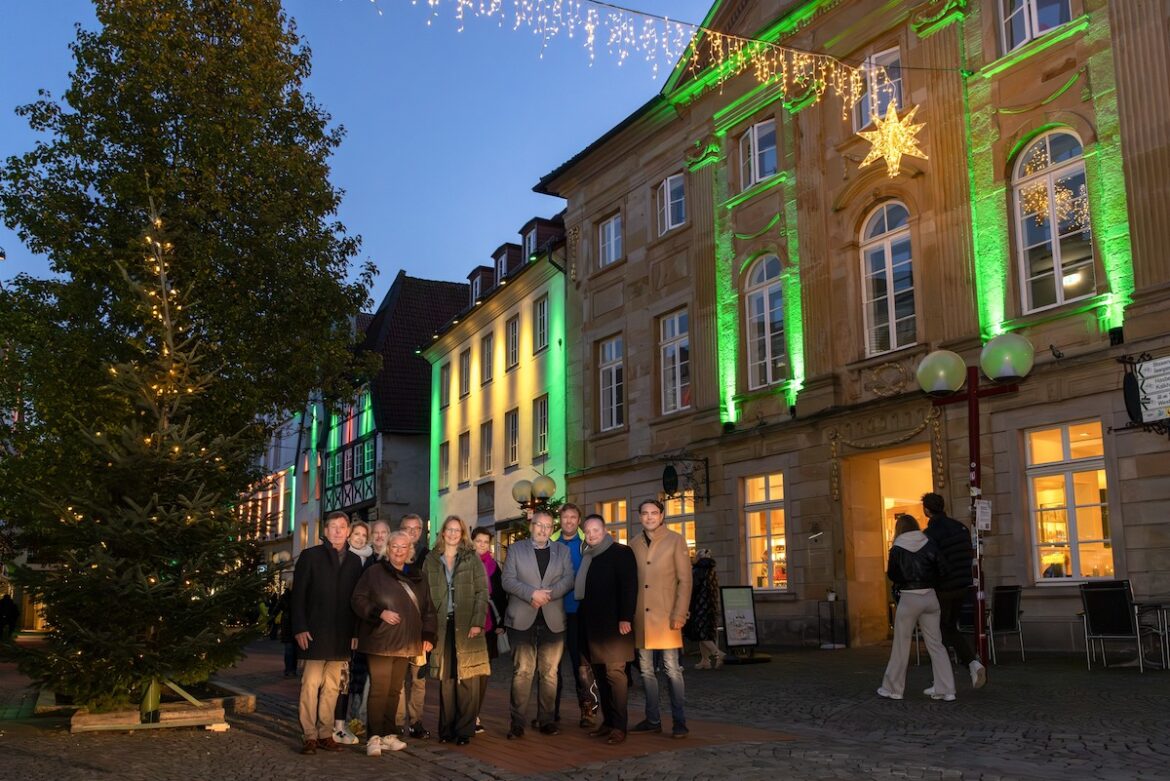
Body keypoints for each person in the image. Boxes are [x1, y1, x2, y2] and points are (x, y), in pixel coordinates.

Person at [351, 530, 437, 757]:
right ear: (388, 549)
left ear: (410, 550)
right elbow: (358, 600)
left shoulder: (418, 576)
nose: (399, 551)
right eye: (395, 547)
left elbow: (428, 609)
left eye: (404, 547)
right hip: (380, 641)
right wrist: (379, 613)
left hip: (406, 641)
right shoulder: (373, 573)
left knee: (394, 690)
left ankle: (389, 734)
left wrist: (428, 636)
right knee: (379, 689)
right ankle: (373, 737)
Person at [290, 511, 364, 755]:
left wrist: (355, 632)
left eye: (342, 527)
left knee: (333, 686)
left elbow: (355, 601)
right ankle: (309, 735)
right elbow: (298, 595)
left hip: (341, 634)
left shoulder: (355, 562)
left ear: (348, 531)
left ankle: (325, 733)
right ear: (325, 530)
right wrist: (299, 626)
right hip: (314, 631)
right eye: (333, 526)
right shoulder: (311, 556)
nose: (337, 531)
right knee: (310, 684)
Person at [501, 508, 575, 739]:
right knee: (522, 671)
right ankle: (517, 722)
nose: (543, 529)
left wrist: (548, 595)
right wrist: (532, 593)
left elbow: (569, 579)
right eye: (539, 525)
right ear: (532, 526)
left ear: (552, 530)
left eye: (548, 526)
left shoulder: (561, 551)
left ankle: (547, 720)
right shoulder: (515, 549)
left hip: (553, 620)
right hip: (522, 618)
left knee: (550, 674)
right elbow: (507, 580)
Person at [423, 515, 490, 745]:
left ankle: (464, 731)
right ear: (442, 533)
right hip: (442, 625)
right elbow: (424, 596)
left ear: (462, 534)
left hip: (467, 625)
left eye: (457, 530)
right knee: (446, 678)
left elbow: (483, 592)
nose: (452, 533)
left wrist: (477, 621)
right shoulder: (431, 560)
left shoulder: (471, 558)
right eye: (448, 529)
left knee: (468, 679)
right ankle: (446, 730)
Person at [630, 498, 692, 739]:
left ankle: (679, 722)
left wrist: (679, 613)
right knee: (645, 671)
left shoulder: (675, 540)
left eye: (654, 513)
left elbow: (685, 581)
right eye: (645, 513)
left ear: (662, 515)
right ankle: (653, 719)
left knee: (672, 670)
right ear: (639, 516)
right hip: (642, 618)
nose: (649, 517)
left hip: (667, 617)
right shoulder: (634, 543)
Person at [879, 513, 956, 701]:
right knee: (936, 644)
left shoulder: (897, 548)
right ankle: (946, 689)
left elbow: (893, 575)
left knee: (901, 644)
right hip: (930, 596)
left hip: (909, 597)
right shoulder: (929, 543)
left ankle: (893, 689)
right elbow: (944, 569)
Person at [575, 514, 637, 745]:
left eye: (595, 530)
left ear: (604, 530)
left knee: (615, 675)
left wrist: (625, 617)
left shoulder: (621, 553)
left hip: (614, 627)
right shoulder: (588, 556)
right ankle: (609, 722)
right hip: (591, 625)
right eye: (588, 531)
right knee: (600, 675)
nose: (591, 534)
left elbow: (629, 587)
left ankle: (620, 726)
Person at [922, 492, 987, 690]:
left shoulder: (930, 534)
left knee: (937, 634)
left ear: (926, 510)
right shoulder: (961, 528)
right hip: (962, 586)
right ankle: (972, 663)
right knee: (949, 628)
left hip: (943, 588)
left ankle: (942, 681)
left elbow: (931, 563)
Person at [552, 503, 600, 727]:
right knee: (551, 666)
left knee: (581, 665)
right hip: (553, 612)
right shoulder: (550, 543)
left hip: (579, 612)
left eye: (573, 517)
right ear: (560, 520)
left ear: (578, 520)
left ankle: (587, 709)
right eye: (565, 517)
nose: (569, 521)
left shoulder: (587, 543)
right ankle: (550, 711)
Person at [332, 519, 374, 745]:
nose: (359, 538)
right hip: (344, 626)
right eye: (356, 534)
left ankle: (352, 718)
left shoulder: (369, 560)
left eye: (362, 535)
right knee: (340, 676)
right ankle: (337, 721)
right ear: (349, 536)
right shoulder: (344, 559)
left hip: (362, 627)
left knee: (356, 677)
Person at [397, 513, 431, 738]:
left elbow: (430, 597)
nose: (412, 532)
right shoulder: (393, 555)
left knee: (419, 680)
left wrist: (430, 632)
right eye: (408, 528)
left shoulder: (427, 557)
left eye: (416, 529)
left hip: (418, 630)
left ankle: (416, 722)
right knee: (398, 679)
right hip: (397, 631)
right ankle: (398, 721)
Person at [471, 526, 508, 734]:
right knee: (469, 671)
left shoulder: (494, 567)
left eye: (486, 542)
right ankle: (466, 711)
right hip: (469, 626)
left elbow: (502, 597)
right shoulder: (465, 563)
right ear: (472, 542)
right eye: (479, 541)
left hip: (489, 626)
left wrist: (501, 624)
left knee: (484, 672)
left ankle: (475, 713)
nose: (483, 545)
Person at [685, 549, 726, 670]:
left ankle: (718, 654)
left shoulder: (697, 571)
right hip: (711, 606)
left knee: (701, 634)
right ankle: (705, 660)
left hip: (699, 607)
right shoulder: (712, 571)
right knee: (705, 633)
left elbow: (692, 589)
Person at [277, 586, 296, 677]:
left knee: (293, 650)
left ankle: (291, 669)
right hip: (289, 625)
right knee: (290, 649)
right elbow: (282, 607)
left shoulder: (285, 596)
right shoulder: (285, 597)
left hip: (290, 625)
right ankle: (289, 670)